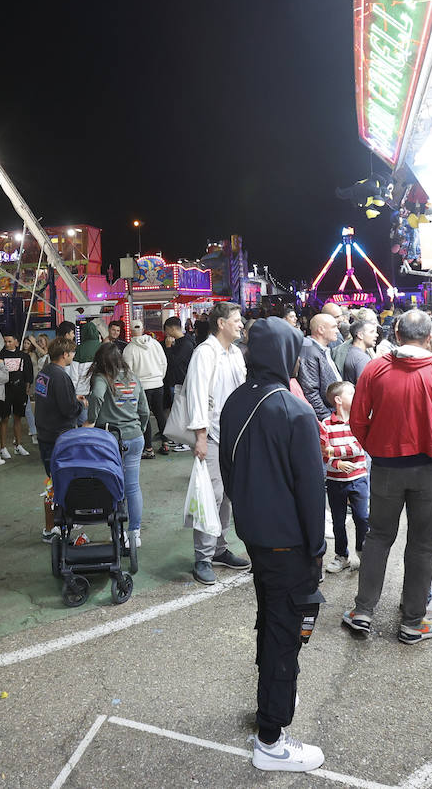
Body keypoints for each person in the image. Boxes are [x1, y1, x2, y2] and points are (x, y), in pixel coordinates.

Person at [218, 316, 327, 774]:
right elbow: (311, 490)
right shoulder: (292, 410)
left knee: (270, 621)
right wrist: (317, 548)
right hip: (289, 544)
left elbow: (228, 471)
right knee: (286, 632)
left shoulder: (234, 402)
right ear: (287, 357)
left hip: (256, 539)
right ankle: (271, 737)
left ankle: (269, 704)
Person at [343, 310, 432, 643]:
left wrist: (376, 447)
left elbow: (357, 419)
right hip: (431, 469)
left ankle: (363, 611)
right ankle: (413, 622)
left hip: (387, 467)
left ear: (397, 336)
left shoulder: (376, 368)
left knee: (378, 537)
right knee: (421, 545)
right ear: (429, 338)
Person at [183, 301, 251, 584]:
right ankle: (203, 557)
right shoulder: (205, 353)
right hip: (211, 437)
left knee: (227, 497)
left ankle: (220, 549)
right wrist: (200, 437)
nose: (241, 324)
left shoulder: (234, 352)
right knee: (211, 496)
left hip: (234, 436)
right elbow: (197, 396)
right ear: (221, 323)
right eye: (236, 320)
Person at [86, 342, 151, 548]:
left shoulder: (102, 377)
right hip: (135, 437)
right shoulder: (133, 377)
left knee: (112, 485)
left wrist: (90, 420)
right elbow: (145, 410)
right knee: (133, 486)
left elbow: (96, 395)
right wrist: (140, 428)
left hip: (112, 439)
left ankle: (118, 531)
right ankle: (135, 533)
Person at [33, 337, 85, 541]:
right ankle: (63, 525)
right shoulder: (61, 377)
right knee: (63, 483)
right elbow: (68, 410)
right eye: (72, 353)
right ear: (65, 354)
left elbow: (51, 401)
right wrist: (80, 405)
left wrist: (73, 398)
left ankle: (50, 527)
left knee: (51, 482)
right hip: (60, 438)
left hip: (45, 434)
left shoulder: (44, 374)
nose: (73, 356)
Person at [320, 380, 368, 575]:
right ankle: (342, 555)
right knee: (338, 521)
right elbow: (323, 453)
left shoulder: (360, 420)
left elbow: (359, 447)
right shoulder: (326, 424)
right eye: (351, 393)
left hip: (359, 477)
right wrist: (337, 463)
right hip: (335, 480)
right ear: (338, 400)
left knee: (362, 517)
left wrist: (334, 451)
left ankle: (363, 552)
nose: (356, 396)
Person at [124, 320, 169, 458]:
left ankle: (148, 448)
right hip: (158, 384)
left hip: (142, 387)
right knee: (160, 414)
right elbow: (164, 362)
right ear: (143, 328)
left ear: (130, 331)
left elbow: (128, 372)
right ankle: (165, 444)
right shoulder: (155, 344)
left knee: (145, 416)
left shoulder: (129, 349)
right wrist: (159, 378)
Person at [297, 313, 341, 421]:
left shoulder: (321, 349)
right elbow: (310, 392)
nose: (337, 331)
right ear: (321, 330)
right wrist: (327, 418)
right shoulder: (309, 351)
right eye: (334, 327)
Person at [0, 334, 33, 457]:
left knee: (18, 418)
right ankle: (3, 447)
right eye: (5, 341)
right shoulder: (0, 356)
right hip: (5, 392)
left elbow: (28, 374)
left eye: (10, 341)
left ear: (16, 342)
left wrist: (26, 390)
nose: (7, 344)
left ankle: (18, 445)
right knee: (5, 418)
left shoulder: (24, 356)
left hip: (20, 392)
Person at [342, 319, 377, 385]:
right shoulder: (361, 358)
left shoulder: (349, 351)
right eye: (372, 332)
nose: (376, 335)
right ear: (360, 335)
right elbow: (364, 387)